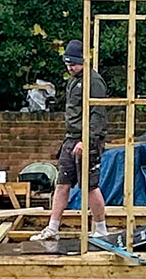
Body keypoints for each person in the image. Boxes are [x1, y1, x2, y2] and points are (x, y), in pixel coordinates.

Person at [30, 37, 110, 245]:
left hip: (87, 140)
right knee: (62, 183)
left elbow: (98, 114)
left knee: (90, 186)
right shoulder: (74, 80)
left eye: (73, 63)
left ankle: (101, 228)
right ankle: (52, 227)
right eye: (67, 64)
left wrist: (86, 140)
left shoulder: (94, 81)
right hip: (71, 138)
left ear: (83, 61)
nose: (70, 67)